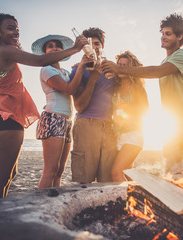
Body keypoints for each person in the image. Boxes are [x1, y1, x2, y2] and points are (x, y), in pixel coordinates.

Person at [0, 9, 86, 202]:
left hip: (0, 117)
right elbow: (40, 60)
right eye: (10, 28)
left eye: (17, 29)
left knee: (10, 174)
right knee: (1, 178)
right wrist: (76, 49)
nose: (16, 32)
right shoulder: (4, 50)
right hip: (7, 119)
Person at [102, 13, 183, 175]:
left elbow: (157, 72)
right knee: (172, 172)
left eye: (168, 34)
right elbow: (157, 70)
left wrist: (119, 69)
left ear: (179, 36)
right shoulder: (165, 61)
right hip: (173, 125)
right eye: (162, 33)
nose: (163, 37)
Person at [31, 35, 90, 189]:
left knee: (60, 170)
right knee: (50, 170)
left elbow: (76, 85)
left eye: (57, 46)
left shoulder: (64, 71)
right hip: (53, 118)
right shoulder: (46, 70)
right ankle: (42, 205)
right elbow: (70, 89)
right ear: (45, 53)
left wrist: (79, 68)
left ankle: (53, 198)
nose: (54, 48)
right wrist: (81, 67)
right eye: (50, 46)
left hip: (67, 121)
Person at [70, 27, 117, 183]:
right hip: (86, 125)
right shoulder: (78, 70)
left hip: (110, 128)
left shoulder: (112, 69)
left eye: (96, 43)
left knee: (108, 181)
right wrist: (93, 78)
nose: (93, 47)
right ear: (83, 48)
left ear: (102, 46)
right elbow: (79, 107)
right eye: (88, 44)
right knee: (84, 180)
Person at [111, 51, 149, 181]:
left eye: (125, 65)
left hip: (134, 135)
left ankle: (129, 201)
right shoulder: (114, 87)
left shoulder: (137, 87)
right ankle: (137, 200)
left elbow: (145, 110)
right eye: (119, 64)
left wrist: (127, 106)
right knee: (128, 175)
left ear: (131, 68)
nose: (121, 68)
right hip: (117, 135)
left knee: (116, 173)